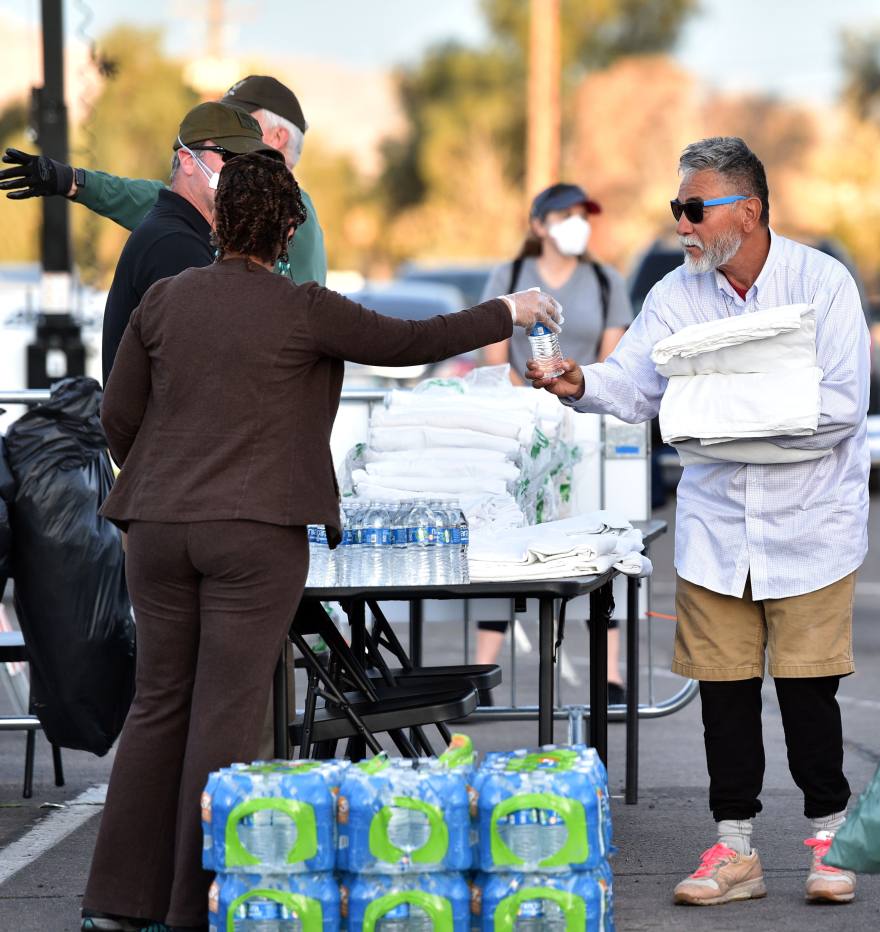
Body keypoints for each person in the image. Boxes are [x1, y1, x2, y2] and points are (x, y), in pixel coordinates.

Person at [80, 150, 560, 932]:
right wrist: (509, 310)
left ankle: (114, 904)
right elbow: (414, 340)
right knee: (225, 713)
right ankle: (195, 907)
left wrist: (166, 481)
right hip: (255, 535)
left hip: (156, 531)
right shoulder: (304, 308)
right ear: (288, 229)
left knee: (159, 703)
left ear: (218, 220)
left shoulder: (165, 300)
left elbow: (117, 416)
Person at [528, 136, 869, 908]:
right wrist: (581, 382)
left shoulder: (823, 284)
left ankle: (831, 840)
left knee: (809, 694)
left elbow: (839, 408)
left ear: (748, 211)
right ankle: (735, 851)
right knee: (724, 695)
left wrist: (703, 420)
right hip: (716, 529)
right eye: (675, 207)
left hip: (812, 526)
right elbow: (636, 384)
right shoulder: (674, 296)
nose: (680, 224)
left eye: (694, 207)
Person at [475, 183, 633, 701]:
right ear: (539, 224)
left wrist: (572, 389)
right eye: (566, 215)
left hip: (585, 428)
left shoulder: (606, 281)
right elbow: (494, 358)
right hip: (521, 427)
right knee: (506, 538)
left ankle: (609, 674)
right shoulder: (509, 278)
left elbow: (612, 363)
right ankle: (484, 669)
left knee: (598, 539)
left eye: (583, 215)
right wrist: (532, 401)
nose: (577, 224)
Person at [0, 74, 327, 287]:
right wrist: (73, 180)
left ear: (277, 137)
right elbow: (170, 201)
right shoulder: (250, 202)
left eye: (242, 121)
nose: (231, 129)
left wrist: (74, 181)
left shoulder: (286, 209)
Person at [99, 101, 275, 381]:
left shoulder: (184, 234)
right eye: (231, 157)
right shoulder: (174, 244)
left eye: (253, 163)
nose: (245, 174)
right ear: (188, 160)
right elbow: (204, 366)